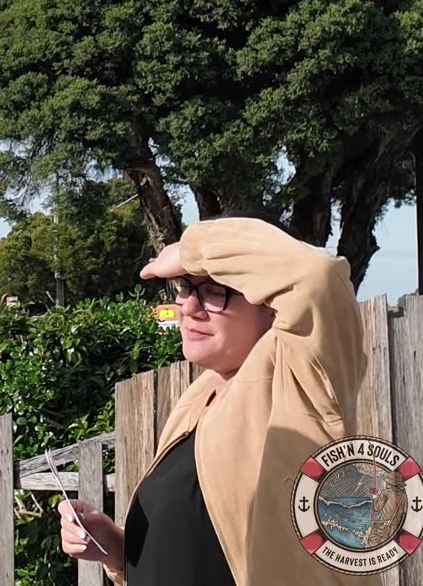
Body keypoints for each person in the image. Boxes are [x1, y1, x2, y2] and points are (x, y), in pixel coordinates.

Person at [58, 213, 375, 585]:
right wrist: (117, 548)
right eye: (185, 287)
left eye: (213, 291)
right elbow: (199, 553)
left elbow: (318, 275)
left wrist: (194, 249)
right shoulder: (196, 401)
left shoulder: (304, 380)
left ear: (270, 306)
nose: (189, 308)